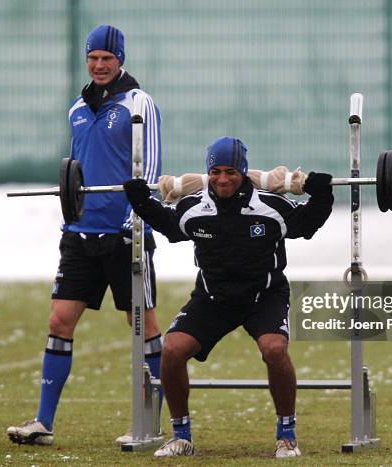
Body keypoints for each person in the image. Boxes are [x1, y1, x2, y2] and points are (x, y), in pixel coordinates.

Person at [123, 136, 334, 458]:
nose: (223, 179)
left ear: (243, 172)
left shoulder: (269, 205)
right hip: (213, 298)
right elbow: (168, 225)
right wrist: (140, 201)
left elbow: (306, 225)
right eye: (217, 172)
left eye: (231, 172)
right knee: (173, 351)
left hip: (264, 296)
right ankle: (181, 436)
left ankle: (286, 435)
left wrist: (322, 193)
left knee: (274, 348)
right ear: (209, 172)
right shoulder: (194, 207)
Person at [7, 24, 163, 446]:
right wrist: (70, 211)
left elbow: (149, 166)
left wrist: (137, 215)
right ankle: (43, 423)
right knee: (59, 320)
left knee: (141, 324)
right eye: (92, 58)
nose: (98, 65)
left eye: (106, 59)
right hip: (80, 234)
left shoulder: (138, 103)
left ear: (120, 60)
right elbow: (74, 171)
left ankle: (149, 423)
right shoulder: (77, 107)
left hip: (124, 234)